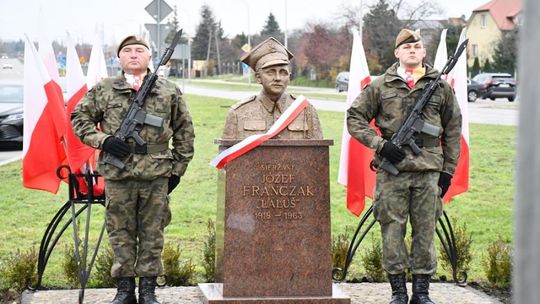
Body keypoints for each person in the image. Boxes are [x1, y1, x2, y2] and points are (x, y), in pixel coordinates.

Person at [71, 35, 195, 304]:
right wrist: (104, 141)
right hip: (119, 174)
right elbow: (79, 118)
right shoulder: (104, 89)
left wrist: (178, 168)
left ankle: (148, 291)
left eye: (140, 50)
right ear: (119, 59)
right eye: (127, 51)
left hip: (157, 173)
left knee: (153, 232)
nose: (134, 54)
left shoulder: (168, 90)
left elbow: (185, 130)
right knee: (120, 231)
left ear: (150, 57)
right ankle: (125, 290)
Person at [347, 29, 462, 304]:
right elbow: (354, 118)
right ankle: (398, 292)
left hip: (428, 172)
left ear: (424, 52)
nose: (412, 50)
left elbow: (453, 129)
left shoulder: (440, 86)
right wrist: (379, 144)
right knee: (392, 231)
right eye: (406, 46)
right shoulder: (380, 86)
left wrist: (448, 170)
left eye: (417, 46)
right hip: (391, 174)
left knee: (424, 231)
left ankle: (421, 293)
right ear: (397, 53)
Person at [222, 37, 322, 140]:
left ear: (289, 76)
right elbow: (227, 154)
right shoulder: (238, 113)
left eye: (283, 72)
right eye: (271, 72)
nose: (278, 78)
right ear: (258, 77)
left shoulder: (306, 112)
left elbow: (319, 153)